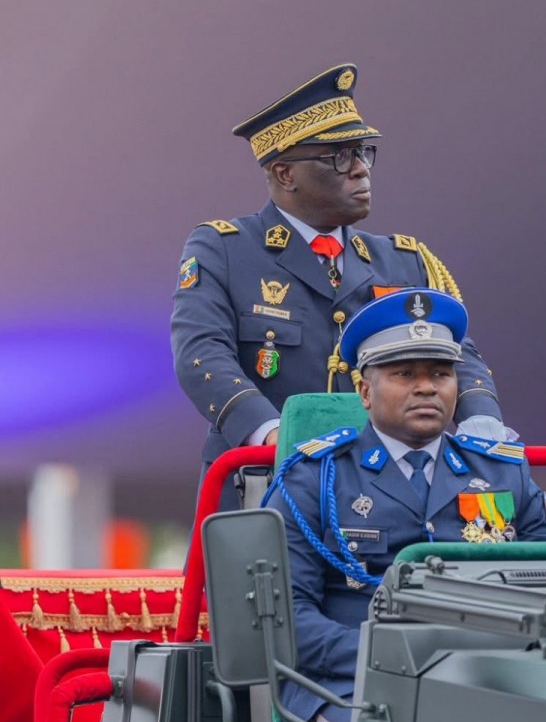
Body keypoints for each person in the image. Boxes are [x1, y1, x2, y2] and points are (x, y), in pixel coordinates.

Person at [171, 63, 511, 476]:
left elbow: (458, 352)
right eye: (340, 156)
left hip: (382, 482)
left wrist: (481, 417)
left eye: (364, 152)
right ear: (285, 173)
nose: (361, 168)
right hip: (266, 478)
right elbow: (201, 355)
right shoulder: (224, 249)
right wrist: (274, 433)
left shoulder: (402, 259)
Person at [266, 288, 546, 722]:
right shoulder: (315, 476)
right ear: (364, 390)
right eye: (404, 373)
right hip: (353, 681)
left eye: (441, 373)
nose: (427, 387)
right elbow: (287, 616)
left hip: (487, 676)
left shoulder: (504, 472)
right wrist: (398, 653)